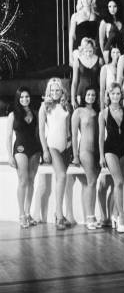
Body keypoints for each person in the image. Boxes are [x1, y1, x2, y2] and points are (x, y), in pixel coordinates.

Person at [39, 78, 72, 230]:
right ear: (48, 92)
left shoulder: (66, 106)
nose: (54, 93)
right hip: (52, 146)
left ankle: (59, 213)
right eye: (52, 90)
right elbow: (41, 131)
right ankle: (59, 216)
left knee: (61, 179)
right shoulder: (45, 107)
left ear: (62, 91)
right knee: (62, 176)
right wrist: (45, 150)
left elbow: (68, 128)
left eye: (57, 90)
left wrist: (70, 142)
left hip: (65, 147)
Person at [6, 87, 41, 228]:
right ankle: (21, 214)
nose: (25, 99)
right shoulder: (13, 115)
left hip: (35, 149)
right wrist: (9, 155)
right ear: (18, 98)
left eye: (27, 96)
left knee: (31, 181)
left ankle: (27, 213)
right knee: (23, 180)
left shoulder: (36, 113)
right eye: (22, 97)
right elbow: (8, 136)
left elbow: (40, 132)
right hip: (20, 149)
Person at [98, 82, 124, 233]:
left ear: (121, 95)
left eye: (118, 93)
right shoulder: (103, 113)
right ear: (108, 95)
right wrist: (101, 156)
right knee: (118, 182)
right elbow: (100, 137)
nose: (115, 96)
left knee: (120, 183)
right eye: (113, 94)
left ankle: (114, 214)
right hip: (110, 149)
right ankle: (122, 217)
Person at [70, 86, 100, 230]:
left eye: (93, 94)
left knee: (93, 183)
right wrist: (75, 155)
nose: (91, 96)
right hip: (85, 150)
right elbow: (74, 135)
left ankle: (92, 215)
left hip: (97, 151)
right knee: (91, 181)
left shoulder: (98, 112)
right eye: (88, 94)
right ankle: (89, 216)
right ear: (83, 96)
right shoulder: (78, 112)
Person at [69, 0, 99, 65]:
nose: (85, 0)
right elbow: (71, 37)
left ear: (92, 0)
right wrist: (70, 56)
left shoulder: (96, 15)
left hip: (92, 50)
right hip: (80, 50)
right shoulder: (75, 16)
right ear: (80, 0)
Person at [71, 37, 101, 109]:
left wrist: (101, 96)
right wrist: (72, 99)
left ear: (93, 49)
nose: (88, 54)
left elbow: (101, 80)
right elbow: (74, 82)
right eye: (86, 51)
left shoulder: (99, 60)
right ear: (82, 50)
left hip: (95, 92)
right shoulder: (77, 61)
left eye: (90, 51)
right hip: (81, 92)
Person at [99, 0, 124, 64]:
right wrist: (103, 54)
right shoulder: (104, 22)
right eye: (110, 6)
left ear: (118, 7)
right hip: (109, 51)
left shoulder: (122, 20)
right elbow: (101, 40)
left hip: (121, 50)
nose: (112, 9)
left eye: (114, 6)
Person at [100, 45, 122, 109]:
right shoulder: (105, 68)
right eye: (113, 52)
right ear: (111, 55)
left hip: (120, 99)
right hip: (109, 98)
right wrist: (102, 107)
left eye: (118, 52)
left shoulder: (123, 68)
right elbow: (102, 89)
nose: (116, 54)